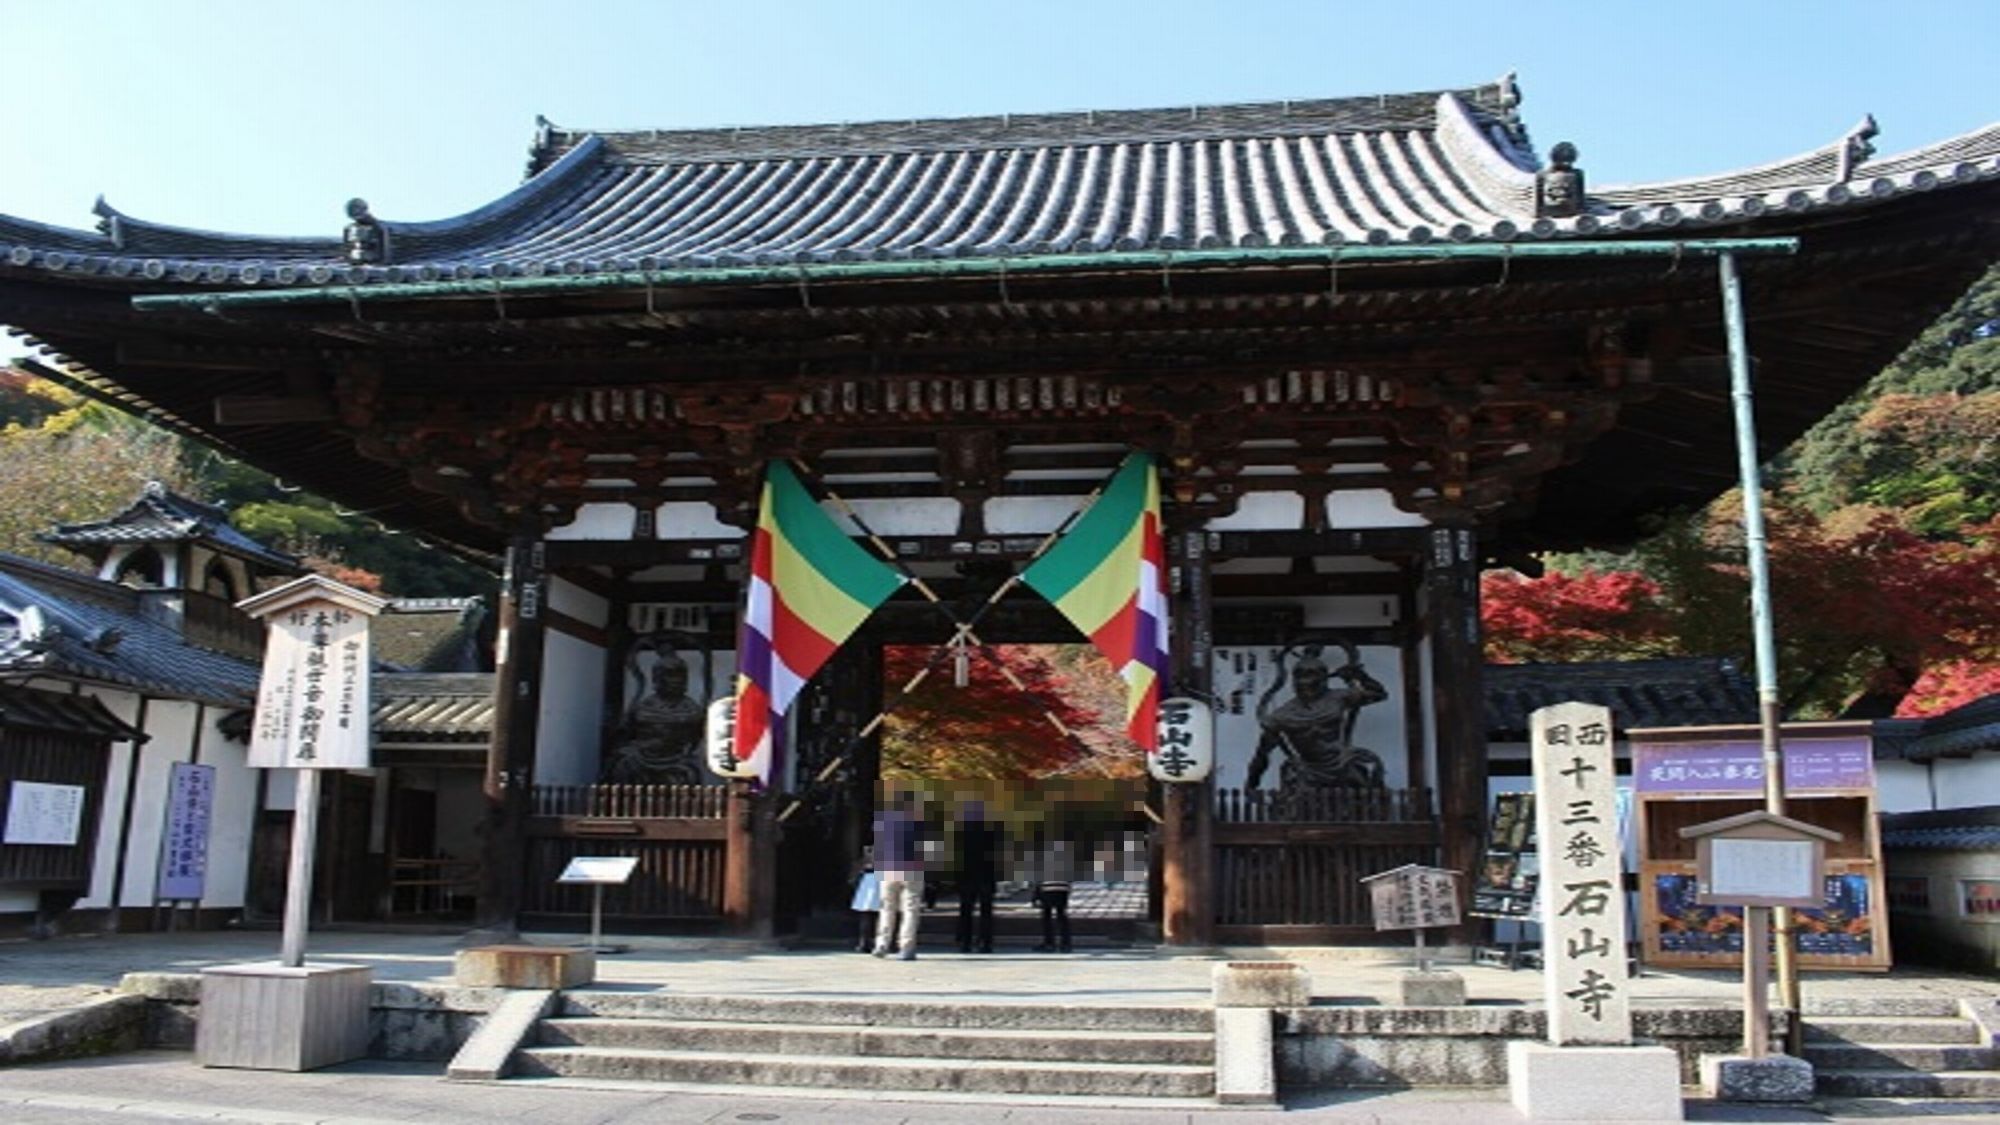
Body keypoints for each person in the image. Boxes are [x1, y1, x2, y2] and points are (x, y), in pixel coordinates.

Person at [1245, 645, 1388, 792]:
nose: (1304, 682)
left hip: (1342, 762)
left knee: (1368, 776)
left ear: (1324, 678)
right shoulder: (1283, 716)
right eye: (1299, 676)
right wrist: (1251, 785)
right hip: (1308, 769)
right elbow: (1262, 755)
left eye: (1311, 675)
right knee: (1295, 793)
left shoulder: (1338, 698)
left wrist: (1359, 676)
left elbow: (1378, 694)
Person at [603, 651, 704, 784]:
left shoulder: (691, 709)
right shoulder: (643, 706)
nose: (674, 682)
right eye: (668, 677)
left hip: (676, 757)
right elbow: (627, 733)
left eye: (679, 678)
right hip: (642, 755)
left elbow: (698, 737)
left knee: (691, 771)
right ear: (656, 679)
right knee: (621, 762)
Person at [871, 791, 925, 961]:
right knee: (910, 909)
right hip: (912, 867)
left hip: (888, 868)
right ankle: (906, 947)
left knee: (887, 908)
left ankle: (882, 944)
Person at [954, 799, 1000, 954]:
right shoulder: (992, 831)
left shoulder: (960, 831)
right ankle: (985, 942)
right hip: (986, 874)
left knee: (966, 910)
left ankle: (965, 942)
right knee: (986, 911)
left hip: (966, 875)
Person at [1031, 835, 1073, 953]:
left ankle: (1049, 942)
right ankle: (1066, 943)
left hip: (1047, 887)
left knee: (1047, 916)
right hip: (1062, 887)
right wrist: (1068, 887)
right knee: (1061, 915)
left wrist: (1035, 894)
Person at [849, 845, 880, 953]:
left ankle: (866, 942)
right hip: (872, 880)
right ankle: (867, 941)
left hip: (871, 880)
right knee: (870, 914)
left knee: (868, 914)